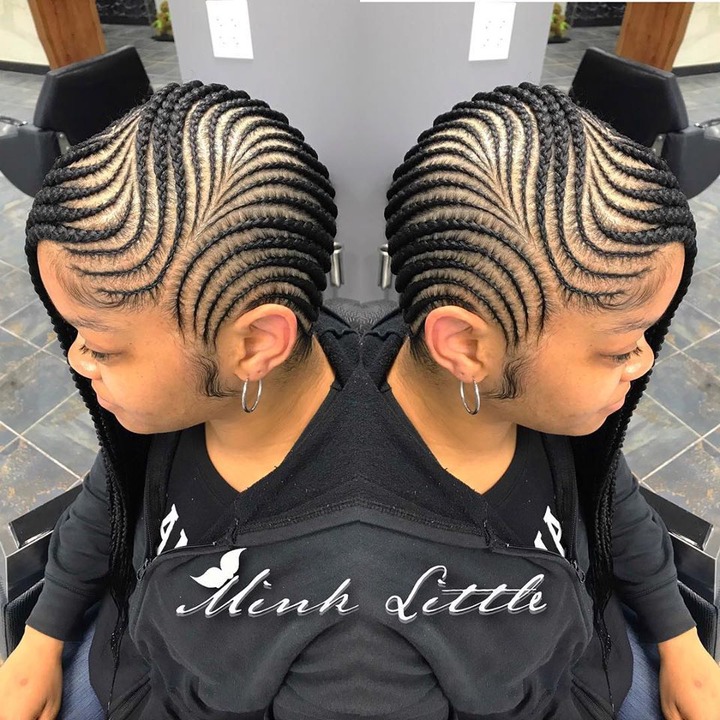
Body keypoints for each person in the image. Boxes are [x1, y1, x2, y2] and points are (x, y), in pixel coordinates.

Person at [0, 81, 363, 719]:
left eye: (101, 345)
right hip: (119, 653)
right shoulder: (170, 415)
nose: (77, 359)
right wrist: (42, 635)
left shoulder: (345, 558)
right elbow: (106, 499)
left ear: (255, 344)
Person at [356, 83, 720, 719]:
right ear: (466, 346)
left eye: (646, 336)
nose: (644, 361)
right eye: (620, 347)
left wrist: (678, 636)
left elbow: (614, 501)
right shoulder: (376, 565)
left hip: (605, 654)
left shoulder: (552, 417)